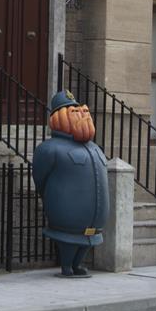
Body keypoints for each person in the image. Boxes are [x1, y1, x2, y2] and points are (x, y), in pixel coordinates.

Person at [32, 90, 109, 278]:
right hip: (66, 219)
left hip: (94, 222)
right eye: (72, 111)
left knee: (86, 239)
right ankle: (67, 265)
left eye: (80, 110)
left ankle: (77, 264)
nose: (80, 113)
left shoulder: (94, 148)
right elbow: (40, 178)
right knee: (69, 239)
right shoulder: (48, 149)